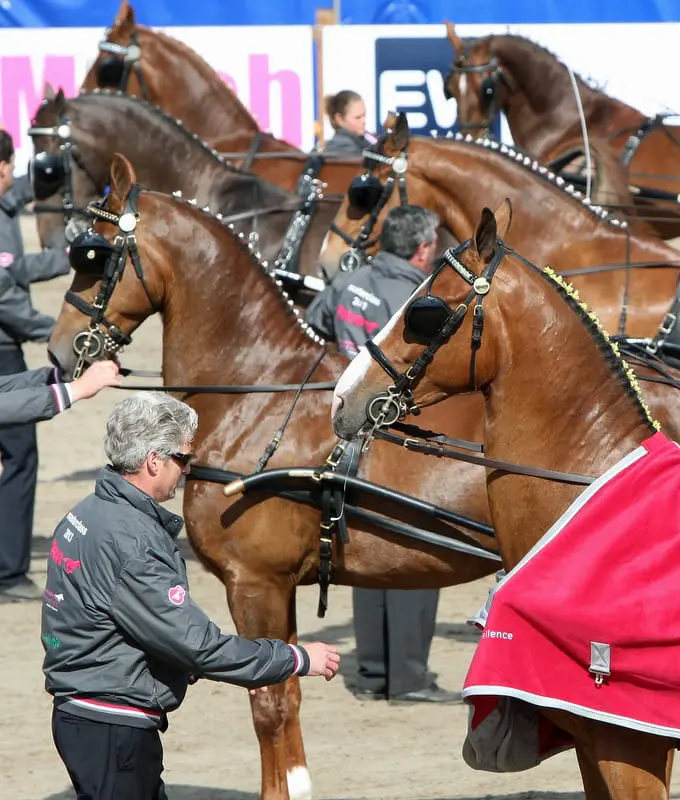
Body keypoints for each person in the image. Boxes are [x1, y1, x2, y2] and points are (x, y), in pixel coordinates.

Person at [42, 392, 341, 799]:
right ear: (152, 461)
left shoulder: (84, 514)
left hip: (85, 713)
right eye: (182, 458)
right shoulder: (133, 541)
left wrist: (236, 666)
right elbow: (196, 645)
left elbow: (131, 625)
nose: (186, 471)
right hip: (114, 727)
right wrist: (296, 659)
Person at [305, 205, 460, 705]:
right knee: (416, 553)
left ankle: (371, 673)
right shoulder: (417, 299)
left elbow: (314, 322)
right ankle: (410, 678)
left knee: (367, 551)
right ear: (422, 249)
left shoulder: (353, 281)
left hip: (344, 439)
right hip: (398, 441)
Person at [0, 128, 72, 602]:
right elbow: (5, 296)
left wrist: (66, 256)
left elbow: (17, 270)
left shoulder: (5, 206)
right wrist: (57, 330)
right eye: (8, 167)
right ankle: (8, 572)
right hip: (4, 351)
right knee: (19, 456)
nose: (13, 176)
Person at [323, 90, 377, 157]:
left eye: (364, 115)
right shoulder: (341, 147)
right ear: (339, 119)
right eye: (358, 117)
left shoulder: (361, 143)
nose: (363, 121)